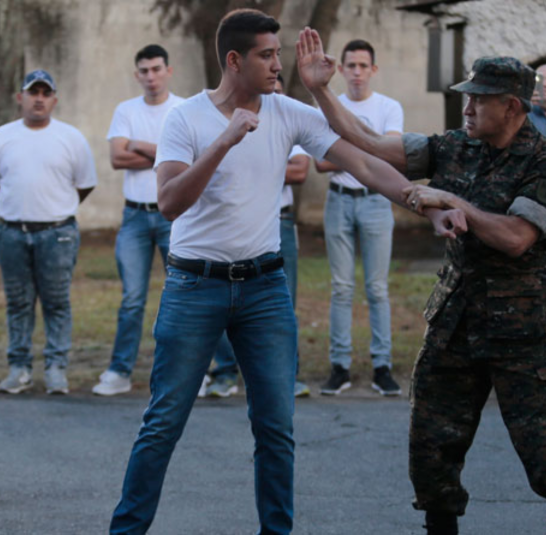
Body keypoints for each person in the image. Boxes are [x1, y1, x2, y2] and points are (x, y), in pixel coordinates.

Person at [109, 11, 460, 534]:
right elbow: (169, 203)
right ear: (234, 60)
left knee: (276, 428)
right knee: (163, 424)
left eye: (279, 53)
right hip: (193, 286)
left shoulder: (289, 111)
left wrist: (426, 204)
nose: (280, 65)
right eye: (267, 55)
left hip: (264, 289)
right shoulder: (186, 119)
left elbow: (364, 164)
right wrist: (225, 140)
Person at [296, 28, 546, 535]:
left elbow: (516, 237)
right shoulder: (455, 147)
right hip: (456, 321)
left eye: (478, 100)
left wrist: (452, 202)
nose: (467, 107)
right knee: (432, 447)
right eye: (467, 97)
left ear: (511, 106)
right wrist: (320, 90)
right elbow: (369, 141)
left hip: (521, 330)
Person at [0, 70, 97, 395]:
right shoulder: (2, 137)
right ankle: (19, 368)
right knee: (18, 303)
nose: (39, 98)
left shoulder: (71, 138)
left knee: (56, 302)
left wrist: (54, 209)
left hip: (57, 235)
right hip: (12, 234)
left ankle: (56, 368)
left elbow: (84, 185)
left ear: (54, 99)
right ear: (21, 98)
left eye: (46, 93)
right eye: (33, 92)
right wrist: (17, 206)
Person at [203, 73, 312, 399]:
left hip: (279, 221)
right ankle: (224, 373)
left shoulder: (290, 119)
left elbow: (300, 171)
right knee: (222, 298)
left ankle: (287, 376)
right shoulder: (228, 124)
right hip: (233, 222)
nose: (271, 97)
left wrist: (256, 166)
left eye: (277, 91)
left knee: (282, 302)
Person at [92, 45, 184, 396]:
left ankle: (194, 372)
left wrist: (141, 147)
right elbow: (117, 157)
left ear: (168, 71)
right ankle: (119, 371)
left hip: (173, 216)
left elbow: (186, 160)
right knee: (132, 297)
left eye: (156, 69)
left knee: (183, 294)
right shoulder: (125, 110)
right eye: (144, 71)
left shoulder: (183, 109)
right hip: (134, 216)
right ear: (137, 75)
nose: (150, 77)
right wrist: (164, 152)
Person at [314, 39, 404, 397]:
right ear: (341, 69)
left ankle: (382, 367)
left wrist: (349, 152)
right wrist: (370, 149)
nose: (356, 72)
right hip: (339, 201)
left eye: (362, 66)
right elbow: (320, 162)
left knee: (377, 288)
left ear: (373, 70)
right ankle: (340, 367)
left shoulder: (389, 107)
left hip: (376, 202)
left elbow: (394, 157)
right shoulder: (331, 107)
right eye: (349, 65)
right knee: (341, 287)